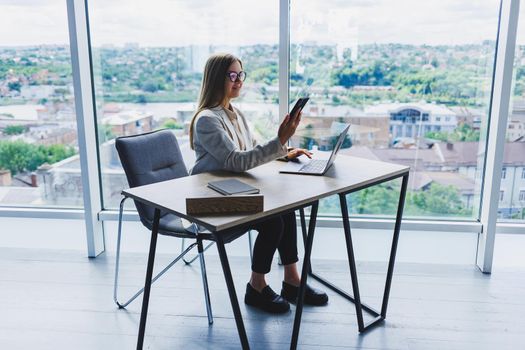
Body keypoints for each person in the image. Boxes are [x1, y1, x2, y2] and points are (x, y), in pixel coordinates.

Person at [189, 53, 328, 314]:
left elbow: (250, 151)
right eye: (232, 75)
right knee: (272, 220)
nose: (238, 81)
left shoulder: (235, 114)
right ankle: (256, 286)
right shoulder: (207, 119)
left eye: (240, 74)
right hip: (209, 201)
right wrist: (277, 142)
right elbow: (236, 161)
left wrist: (284, 152)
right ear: (216, 79)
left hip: (233, 191)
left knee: (285, 208)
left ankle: (292, 280)